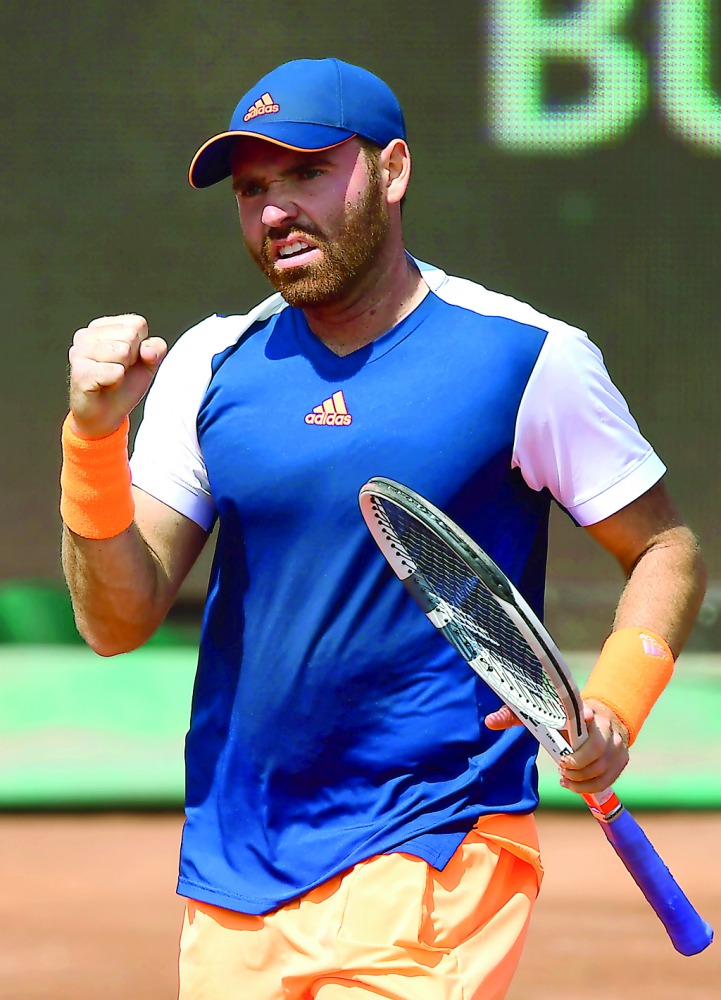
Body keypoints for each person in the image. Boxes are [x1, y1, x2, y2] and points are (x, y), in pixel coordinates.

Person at [60, 58, 706, 999]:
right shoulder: (210, 365)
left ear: (392, 170)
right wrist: (92, 437)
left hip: (435, 845)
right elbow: (115, 620)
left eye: (306, 173)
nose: (275, 210)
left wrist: (613, 699)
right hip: (234, 861)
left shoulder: (524, 357)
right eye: (252, 190)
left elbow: (663, 548)